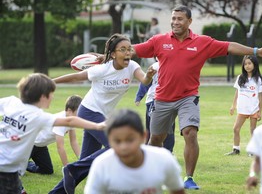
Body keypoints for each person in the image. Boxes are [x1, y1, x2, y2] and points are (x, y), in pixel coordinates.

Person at [132, 4, 262, 189]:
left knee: (190, 133)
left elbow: (229, 46)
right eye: (173, 18)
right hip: (162, 98)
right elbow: (134, 50)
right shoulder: (159, 40)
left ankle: (188, 178)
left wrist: (256, 51)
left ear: (189, 21)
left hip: (188, 97)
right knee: (155, 139)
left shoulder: (202, 42)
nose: (175, 22)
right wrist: (111, 53)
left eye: (179, 19)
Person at [49, 33, 155, 194]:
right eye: (122, 49)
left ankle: (56, 191)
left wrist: (148, 75)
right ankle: (72, 169)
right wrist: (51, 81)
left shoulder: (132, 66)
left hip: (103, 116)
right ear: (113, 54)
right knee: (117, 145)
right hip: (88, 112)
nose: (127, 53)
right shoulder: (102, 70)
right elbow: (77, 76)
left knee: (84, 165)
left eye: (129, 49)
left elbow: (145, 81)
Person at [0, 73, 105, 194]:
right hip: (6, 169)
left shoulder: (10, 101)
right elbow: (70, 120)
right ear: (42, 96)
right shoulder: (38, 116)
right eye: (51, 94)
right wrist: (97, 125)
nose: (53, 97)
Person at [84, 109, 185, 194]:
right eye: (117, 141)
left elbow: (177, 190)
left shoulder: (163, 159)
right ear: (109, 140)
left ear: (143, 136)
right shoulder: (101, 165)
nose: (123, 147)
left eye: (130, 140)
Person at [26, 95, 82, 174]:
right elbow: (60, 148)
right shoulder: (60, 121)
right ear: (69, 110)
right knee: (13, 170)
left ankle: (26, 164)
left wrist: (82, 160)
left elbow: (73, 141)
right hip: (29, 144)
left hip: (41, 146)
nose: (81, 115)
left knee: (47, 171)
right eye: (79, 112)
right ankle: (20, 163)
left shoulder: (72, 120)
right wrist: (67, 168)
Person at [225, 55, 262, 156]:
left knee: (253, 130)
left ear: (254, 65)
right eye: (245, 64)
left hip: (253, 109)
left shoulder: (258, 79)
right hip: (242, 108)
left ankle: (252, 150)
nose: (247, 66)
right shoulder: (240, 78)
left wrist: (260, 111)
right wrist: (233, 106)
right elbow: (237, 92)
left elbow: (260, 96)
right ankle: (236, 149)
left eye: (249, 63)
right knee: (236, 129)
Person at [135, 61, 175, 152]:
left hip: (169, 101)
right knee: (151, 128)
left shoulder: (174, 65)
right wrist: (139, 96)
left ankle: (168, 151)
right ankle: (149, 151)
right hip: (152, 100)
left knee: (169, 128)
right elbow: (146, 82)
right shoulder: (155, 66)